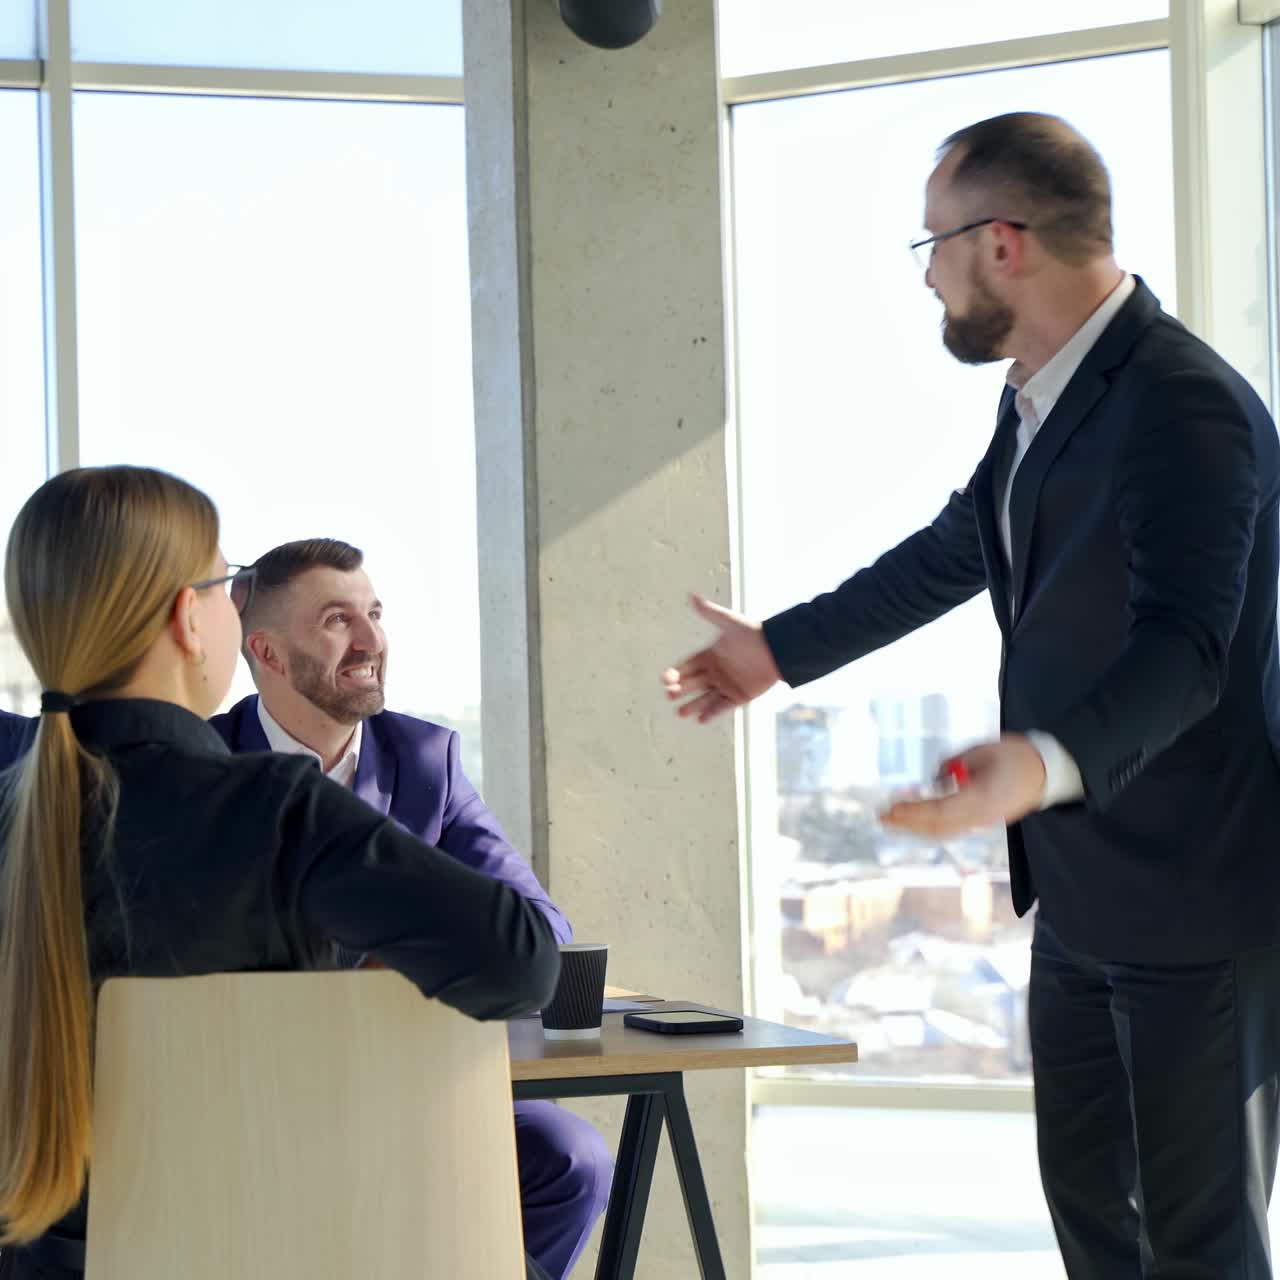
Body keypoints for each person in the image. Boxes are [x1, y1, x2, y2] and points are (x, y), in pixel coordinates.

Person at [664, 112, 1280, 1278]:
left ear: (1001, 243)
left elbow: (1185, 651)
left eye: (931, 245)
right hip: (1086, 886)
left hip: (1196, 897)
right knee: (1098, 1223)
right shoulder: (1044, 392)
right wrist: (778, 650)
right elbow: (961, 545)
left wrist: (1040, 759)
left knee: (1197, 1246)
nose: (929, 276)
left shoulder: (1179, 404)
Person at [0, 466, 560, 1280]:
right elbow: (523, 962)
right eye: (229, 586)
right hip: (272, 1250)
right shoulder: (274, 810)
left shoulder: (19, 810)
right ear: (189, 618)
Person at [209, 538, 611, 1280]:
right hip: (252, 1101)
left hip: (408, 1090)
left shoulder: (427, 761)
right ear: (264, 650)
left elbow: (541, 927)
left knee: (570, 1157)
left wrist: (389, 956)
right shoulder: (204, 767)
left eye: (375, 614)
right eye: (337, 621)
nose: (371, 642)